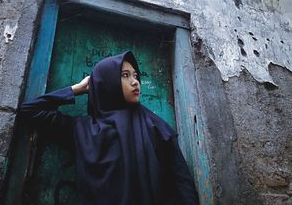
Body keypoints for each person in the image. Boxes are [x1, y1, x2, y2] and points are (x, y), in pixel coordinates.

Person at [20, 51, 199, 205]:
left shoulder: (156, 126)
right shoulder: (84, 131)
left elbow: (182, 181)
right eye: (125, 75)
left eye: (136, 76)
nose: (135, 82)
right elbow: (31, 110)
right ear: (106, 82)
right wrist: (77, 89)